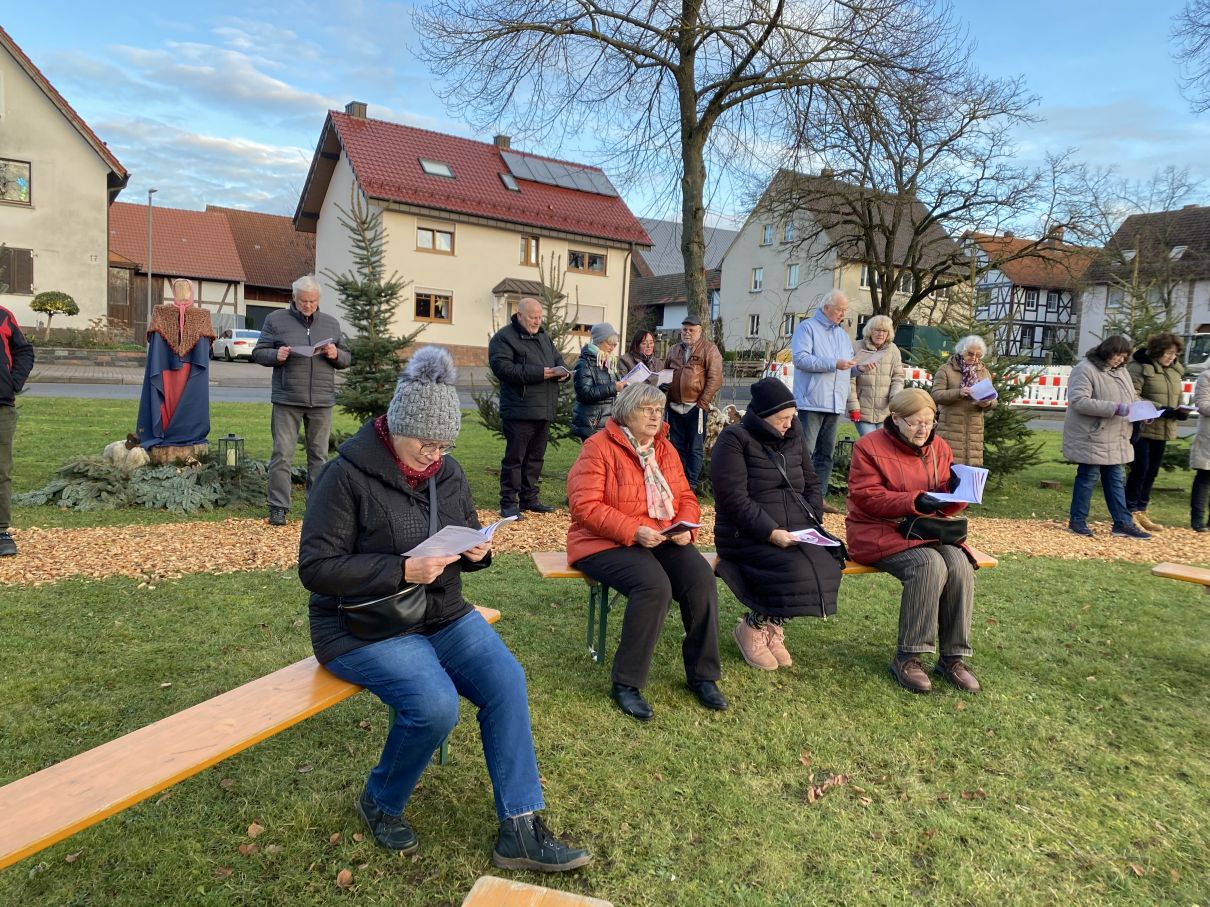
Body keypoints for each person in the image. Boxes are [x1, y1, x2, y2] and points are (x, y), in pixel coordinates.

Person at [298, 347, 591, 872]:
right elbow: (317, 569)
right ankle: (379, 801)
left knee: (506, 681)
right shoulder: (344, 477)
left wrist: (479, 550)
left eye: (444, 445)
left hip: (441, 613)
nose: (434, 455)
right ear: (397, 427)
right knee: (435, 705)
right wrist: (400, 570)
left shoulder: (447, 472)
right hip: (362, 624)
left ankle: (520, 827)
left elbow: (464, 533)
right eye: (426, 444)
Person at [566, 382, 726, 721]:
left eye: (658, 410)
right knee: (654, 585)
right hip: (602, 541)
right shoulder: (598, 447)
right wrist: (632, 530)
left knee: (700, 577)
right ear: (627, 412)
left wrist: (684, 527)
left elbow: (686, 497)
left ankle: (703, 675)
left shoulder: (664, 449)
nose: (655, 417)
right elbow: (584, 507)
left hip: (659, 535)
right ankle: (626, 683)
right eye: (647, 410)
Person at [846, 388, 982, 694]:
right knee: (929, 564)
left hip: (924, 530)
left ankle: (953, 658)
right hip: (877, 531)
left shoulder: (940, 447)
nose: (923, 429)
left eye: (929, 422)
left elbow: (942, 502)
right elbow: (866, 497)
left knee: (960, 563)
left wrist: (959, 493)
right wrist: (915, 500)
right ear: (895, 418)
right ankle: (908, 657)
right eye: (915, 422)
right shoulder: (868, 447)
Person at [712, 378, 842, 671]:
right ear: (762, 416)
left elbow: (811, 482)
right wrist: (771, 532)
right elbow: (733, 499)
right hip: (746, 532)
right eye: (782, 418)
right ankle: (753, 626)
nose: (789, 423)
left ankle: (773, 625)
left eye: (792, 416)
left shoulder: (794, 435)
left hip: (796, 528)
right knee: (794, 569)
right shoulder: (734, 439)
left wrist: (811, 519)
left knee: (829, 561)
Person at [252, 275, 351, 526]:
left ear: (319, 300)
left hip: (321, 400)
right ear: (294, 298)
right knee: (282, 454)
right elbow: (259, 352)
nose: (308, 305)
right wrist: (276, 354)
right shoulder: (275, 320)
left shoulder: (331, 323)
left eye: (313, 301)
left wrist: (335, 353)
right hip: (287, 398)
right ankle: (278, 508)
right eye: (303, 301)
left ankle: (315, 507)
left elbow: (347, 358)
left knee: (319, 456)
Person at [1061, 335, 1151, 540]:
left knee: (1116, 479)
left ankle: (1122, 522)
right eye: (1118, 355)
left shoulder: (1121, 371)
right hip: (1092, 435)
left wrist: (1142, 410)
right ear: (1107, 352)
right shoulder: (1085, 369)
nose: (1120, 360)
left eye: (1124, 356)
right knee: (1088, 477)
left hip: (1116, 436)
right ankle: (1077, 521)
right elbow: (1079, 401)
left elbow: (1131, 397)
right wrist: (1115, 408)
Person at [489, 297, 568, 518]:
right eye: (533, 317)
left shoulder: (544, 337)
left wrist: (564, 373)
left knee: (535, 459)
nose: (537, 321)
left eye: (540, 317)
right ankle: (508, 503)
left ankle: (529, 499)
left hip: (544, 409)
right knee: (515, 459)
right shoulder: (503, 338)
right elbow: (503, 369)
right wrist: (540, 373)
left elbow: (558, 360)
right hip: (519, 410)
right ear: (520, 315)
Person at [791, 290, 856, 507]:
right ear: (826, 308)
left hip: (835, 403)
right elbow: (800, 359)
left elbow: (844, 369)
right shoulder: (807, 328)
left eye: (845, 310)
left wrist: (860, 368)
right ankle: (798, 496)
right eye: (840, 310)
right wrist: (833, 363)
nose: (843, 314)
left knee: (826, 454)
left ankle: (818, 498)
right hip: (812, 400)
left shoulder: (842, 335)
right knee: (805, 452)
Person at [136, 278, 215, 451]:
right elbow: (156, 344)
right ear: (173, 291)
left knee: (189, 397)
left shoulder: (202, 315)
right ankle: (162, 429)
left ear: (191, 291)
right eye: (178, 288)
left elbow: (203, 347)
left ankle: (185, 430)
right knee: (166, 399)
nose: (183, 292)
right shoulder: (160, 312)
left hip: (190, 369)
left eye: (186, 288)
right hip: (165, 368)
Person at [1125, 332, 1190, 531]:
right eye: (1168, 353)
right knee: (1140, 469)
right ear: (1158, 351)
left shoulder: (1174, 371)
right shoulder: (1139, 367)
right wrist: (1161, 408)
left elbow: (1177, 395)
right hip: (1143, 427)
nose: (1172, 357)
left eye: (1175, 353)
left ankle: (1141, 510)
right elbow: (1132, 395)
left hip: (1163, 428)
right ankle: (1128, 511)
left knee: (1152, 471)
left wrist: (1180, 410)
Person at [661, 315, 723, 491]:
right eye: (684, 330)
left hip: (696, 407)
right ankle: (678, 482)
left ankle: (692, 485)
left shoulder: (709, 349)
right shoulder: (673, 350)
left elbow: (715, 379)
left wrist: (702, 403)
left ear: (700, 331)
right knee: (676, 446)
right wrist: (664, 389)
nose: (687, 333)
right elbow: (665, 372)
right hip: (674, 407)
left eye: (691, 330)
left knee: (695, 448)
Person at [929, 335, 996, 467]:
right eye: (970, 353)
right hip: (950, 427)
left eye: (978, 355)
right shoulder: (946, 369)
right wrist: (958, 393)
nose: (974, 358)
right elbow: (936, 395)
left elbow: (993, 399)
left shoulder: (984, 372)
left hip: (974, 431)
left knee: (971, 470)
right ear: (961, 351)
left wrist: (988, 403)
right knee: (948, 467)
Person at [0, 303, 34, 557]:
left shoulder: (3, 315)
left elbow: (24, 351)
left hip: (1, 406)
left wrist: (13, 382)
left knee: (1, 471)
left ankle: (1, 530)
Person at [848, 315, 904, 438]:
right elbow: (849, 379)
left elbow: (898, 378)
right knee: (871, 443)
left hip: (886, 411)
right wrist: (853, 407)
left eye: (884, 331)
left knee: (883, 446)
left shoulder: (893, 350)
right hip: (862, 410)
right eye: (877, 330)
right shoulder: (856, 347)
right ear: (869, 331)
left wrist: (895, 399)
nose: (881, 334)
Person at [571, 323, 624, 440]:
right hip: (593, 423)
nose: (612, 348)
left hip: (609, 421)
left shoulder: (609, 361)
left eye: (614, 344)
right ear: (599, 341)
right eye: (609, 343)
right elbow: (585, 393)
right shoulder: (584, 363)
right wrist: (614, 388)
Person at [1190, 369, 1210, 532]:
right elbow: (1202, 405)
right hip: (1208, 435)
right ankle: (1197, 519)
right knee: (1204, 476)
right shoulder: (1206, 376)